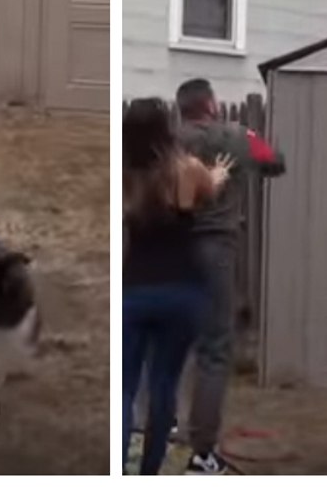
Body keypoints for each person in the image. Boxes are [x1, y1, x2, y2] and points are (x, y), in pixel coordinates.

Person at [175, 78, 286, 475]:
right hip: (214, 253)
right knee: (215, 349)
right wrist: (249, 138)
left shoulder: (168, 140)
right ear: (212, 105)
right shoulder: (237, 136)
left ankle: (165, 423)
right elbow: (276, 161)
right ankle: (202, 454)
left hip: (168, 254)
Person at [122, 97, 232, 476]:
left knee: (126, 387)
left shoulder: (124, 175)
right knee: (164, 385)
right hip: (183, 291)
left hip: (134, 292)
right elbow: (212, 188)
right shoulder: (185, 168)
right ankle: (149, 471)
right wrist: (219, 173)